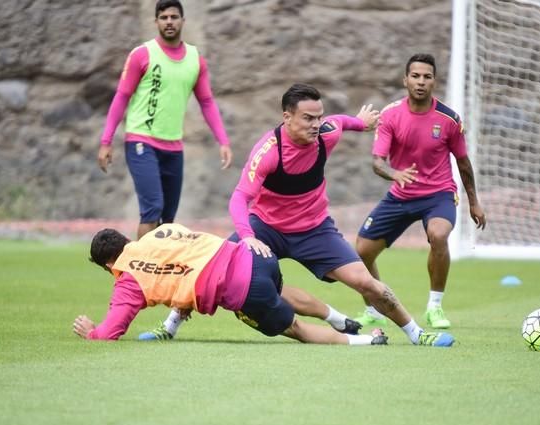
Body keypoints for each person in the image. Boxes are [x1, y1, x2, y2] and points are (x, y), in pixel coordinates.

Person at [142, 83, 455, 347]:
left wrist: (361, 122)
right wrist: (249, 238)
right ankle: (170, 325)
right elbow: (239, 198)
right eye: (307, 118)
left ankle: (417, 335)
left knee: (368, 284)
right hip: (265, 229)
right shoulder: (268, 152)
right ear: (286, 117)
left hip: (316, 230)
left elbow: (341, 121)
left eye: (318, 117)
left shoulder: (326, 133)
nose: (315, 124)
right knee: (210, 267)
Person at [72, 223, 388, 346]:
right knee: (278, 293)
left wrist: (92, 332)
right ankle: (339, 318)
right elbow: (188, 265)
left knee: (295, 329)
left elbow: (111, 331)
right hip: (254, 256)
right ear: (127, 240)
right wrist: (173, 322)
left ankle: (366, 342)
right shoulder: (157, 234)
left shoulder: (127, 280)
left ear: (109, 265)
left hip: (243, 288)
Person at [354, 53, 486, 329]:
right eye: (415, 76)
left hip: (438, 195)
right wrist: (395, 174)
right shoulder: (390, 115)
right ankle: (374, 309)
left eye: (427, 76)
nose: (421, 81)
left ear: (434, 82)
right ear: (406, 80)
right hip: (400, 196)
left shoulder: (449, 119)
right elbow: (377, 162)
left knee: (438, 235)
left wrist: (474, 202)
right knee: (362, 251)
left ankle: (435, 307)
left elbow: (463, 162)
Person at [97, 0, 233, 239]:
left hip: (173, 146)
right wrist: (106, 141)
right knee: (152, 209)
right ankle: (139, 271)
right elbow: (122, 96)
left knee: (168, 218)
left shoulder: (195, 59)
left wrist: (223, 141)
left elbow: (207, 102)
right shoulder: (142, 54)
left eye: (173, 17)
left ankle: (160, 271)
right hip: (141, 141)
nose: (169, 21)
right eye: (164, 17)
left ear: (182, 21)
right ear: (156, 22)